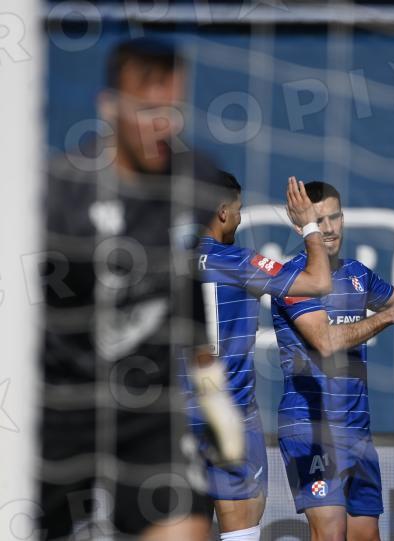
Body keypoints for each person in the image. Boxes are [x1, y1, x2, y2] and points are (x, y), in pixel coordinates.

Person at [39, 37, 243, 540]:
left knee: (186, 528)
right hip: (58, 408)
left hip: (147, 411)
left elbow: (183, 276)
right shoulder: (61, 194)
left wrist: (210, 382)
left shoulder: (194, 180)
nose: (162, 125)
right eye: (147, 111)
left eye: (171, 111)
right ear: (110, 108)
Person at [271, 181, 394, 541]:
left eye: (335, 217)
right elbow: (326, 341)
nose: (329, 228)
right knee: (331, 534)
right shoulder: (292, 279)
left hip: (357, 430)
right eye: (319, 220)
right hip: (312, 427)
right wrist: (389, 316)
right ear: (301, 227)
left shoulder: (358, 274)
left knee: (366, 536)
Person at [186, 171, 332, 541]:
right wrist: (309, 226)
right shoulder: (239, 262)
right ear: (222, 212)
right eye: (238, 211)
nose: (239, 219)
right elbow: (318, 281)